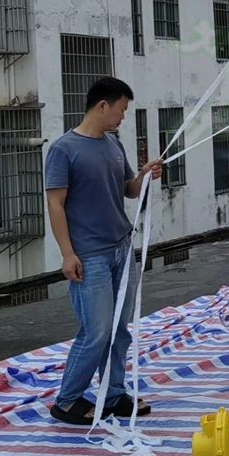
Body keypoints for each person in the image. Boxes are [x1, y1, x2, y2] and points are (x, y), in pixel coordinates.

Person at [45, 77, 163, 425]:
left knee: (118, 329)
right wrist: (68, 254)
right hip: (89, 256)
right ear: (102, 106)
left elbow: (128, 190)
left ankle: (113, 394)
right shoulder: (64, 149)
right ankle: (67, 401)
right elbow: (55, 204)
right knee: (95, 332)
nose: (122, 117)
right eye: (121, 109)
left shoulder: (113, 146)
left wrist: (143, 175)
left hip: (120, 249)